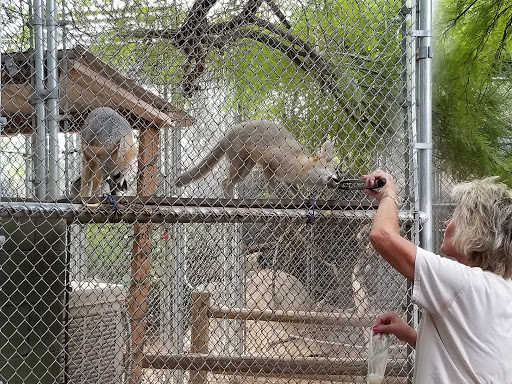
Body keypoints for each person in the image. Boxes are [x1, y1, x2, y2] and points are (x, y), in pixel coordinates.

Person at [363, 169, 512, 383]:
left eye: (455, 216)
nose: (446, 223)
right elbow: (469, 356)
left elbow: (382, 236)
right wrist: (409, 335)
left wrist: (389, 194)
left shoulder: (463, 284)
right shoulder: (502, 287)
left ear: (474, 230)